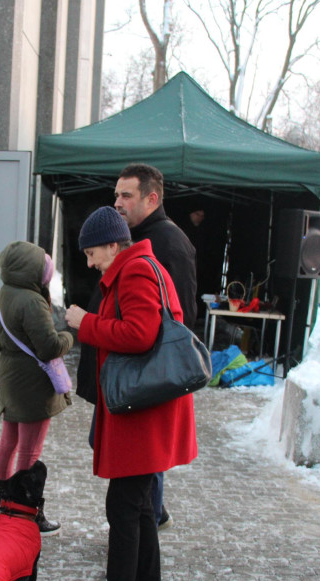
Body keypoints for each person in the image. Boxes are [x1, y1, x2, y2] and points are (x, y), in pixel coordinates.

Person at [62, 206, 197, 581]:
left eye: (91, 252)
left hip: (143, 414)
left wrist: (87, 323)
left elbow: (139, 335)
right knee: (138, 506)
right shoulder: (142, 266)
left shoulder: (136, 270)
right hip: (148, 411)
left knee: (123, 506)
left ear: (111, 244)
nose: (89, 262)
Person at [76, 163, 197, 531]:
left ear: (151, 198)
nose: (118, 203)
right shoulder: (134, 241)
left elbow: (170, 324)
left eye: (126, 195)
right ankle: (138, 561)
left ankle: (136, 555)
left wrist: (87, 324)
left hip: (141, 387)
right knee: (132, 490)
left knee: (137, 491)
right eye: (116, 194)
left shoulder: (164, 245)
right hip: (124, 381)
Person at [0, 241, 74, 533]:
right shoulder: (32, 300)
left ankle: (3, 499)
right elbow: (49, 347)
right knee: (30, 450)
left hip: (9, 377)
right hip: (32, 384)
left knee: (9, 442)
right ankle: (24, 509)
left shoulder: (0, 296)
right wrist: (69, 336)